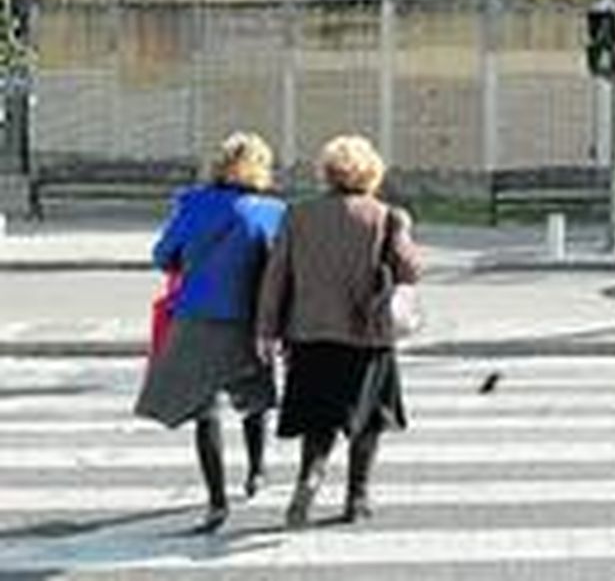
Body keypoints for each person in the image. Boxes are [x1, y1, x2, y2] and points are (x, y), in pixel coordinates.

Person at [257, 134, 422, 529]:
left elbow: (276, 277)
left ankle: (309, 478)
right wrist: (405, 233)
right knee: (367, 421)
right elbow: (410, 271)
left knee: (319, 420)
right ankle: (357, 497)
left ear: (327, 173)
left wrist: (266, 329)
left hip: (310, 334)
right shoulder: (384, 216)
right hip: (366, 335)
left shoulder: (297, 215)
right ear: (371, 173)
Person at [134, 132, 285, 534]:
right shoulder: (273, 211)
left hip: (198, 316)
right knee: (255, 400)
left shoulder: (193, 204)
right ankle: (256, 473)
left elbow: (162, 255)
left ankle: (216, 503)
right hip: (250, 320)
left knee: (205, 413)